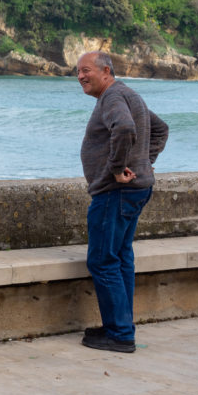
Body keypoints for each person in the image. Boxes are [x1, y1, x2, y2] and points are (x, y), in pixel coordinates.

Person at [76, 51, 168, 353]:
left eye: (86, 70)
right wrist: (144, 161)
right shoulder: (129, 94)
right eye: (78, 72)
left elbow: (125, 128)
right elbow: (160, 128)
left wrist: (117, 169)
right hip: (136, 190)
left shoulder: (113, 98)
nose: (80, 77)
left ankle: (119, 334)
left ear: (106, 71)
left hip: (115, 193)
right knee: (120, 257)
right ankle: (121, 327)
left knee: (102, 260)